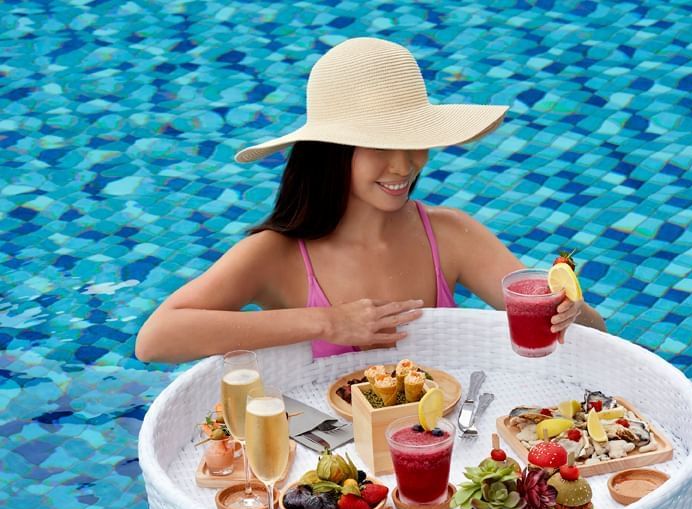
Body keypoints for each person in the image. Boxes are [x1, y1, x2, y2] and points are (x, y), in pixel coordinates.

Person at [135, 37, 606, 363]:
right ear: (331, 154)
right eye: (380, 147)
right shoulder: (275, 256)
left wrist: (569, 312)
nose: (403, 166)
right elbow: (155, 340)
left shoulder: (450, 234)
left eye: (413, 144)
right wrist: (325, 323)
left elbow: (594, 335)